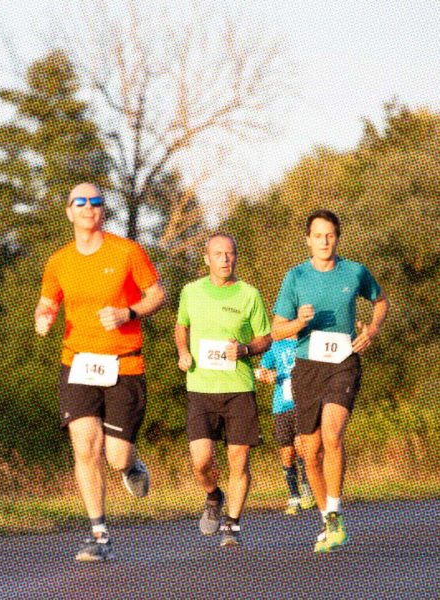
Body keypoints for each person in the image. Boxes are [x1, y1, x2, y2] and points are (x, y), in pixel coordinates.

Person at [35, 182, 166, 562]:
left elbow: (158, 294)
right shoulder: (59, 261)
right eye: (81, 202)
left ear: (103, 210)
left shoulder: (127, 251)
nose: (89, 207)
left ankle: (132, 464)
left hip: (124, 365)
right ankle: (98, 533)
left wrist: (129, 313)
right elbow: (46, 303)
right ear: (69, 211)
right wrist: (44, 319)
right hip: (77, 363)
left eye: (96, 202)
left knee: (116, 457)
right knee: (84, 447)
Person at [271, 209, 389, 553]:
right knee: (310, 452)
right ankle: (327, 520)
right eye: (317, 235)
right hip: (307, 367)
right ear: (307, 239)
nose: (324, 241)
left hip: (343, 362)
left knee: (332, 434)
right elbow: (277, 329)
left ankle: (335, 514)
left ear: (337, 238)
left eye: (330, 235)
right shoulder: (295, 277)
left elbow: (380, 301)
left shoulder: (355, 272)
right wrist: (298, 323)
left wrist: (373, 328)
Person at [174, 233, 271, 547]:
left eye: (230, 254)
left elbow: (265, 337)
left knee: (238, 459)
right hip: (201, 387)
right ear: (207, 259)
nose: (225, 259)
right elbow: (181, 325)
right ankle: (214, 496)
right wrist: (183, 352)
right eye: (218, 254)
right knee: (201, 462)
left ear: (236, 257)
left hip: (238, 388)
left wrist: (244, 349)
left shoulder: (249, 295)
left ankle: (232, 523)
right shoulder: (191, 291)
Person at [255, 337, 315, 514]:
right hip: (281, 406)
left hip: (303, 404)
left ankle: (306, 487)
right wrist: (265, 375)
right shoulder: (276, 345)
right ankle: (293, 495)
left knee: (301, 445)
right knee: (287, 453)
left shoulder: (307, 340)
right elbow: (261, 370)